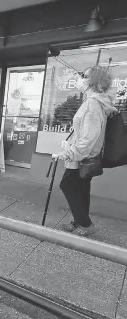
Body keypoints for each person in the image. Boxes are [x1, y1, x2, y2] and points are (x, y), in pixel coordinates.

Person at [53, 65, 117, 237]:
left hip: (82, 157)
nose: (81, 78)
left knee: (67, 185)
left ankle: (85, 224)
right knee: (81, 189)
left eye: (85, 76)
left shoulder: (92, 105)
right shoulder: (95, 102)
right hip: (87, 157)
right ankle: (79, 222)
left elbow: (89, 138)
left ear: (94, 81)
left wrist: (69, 153)